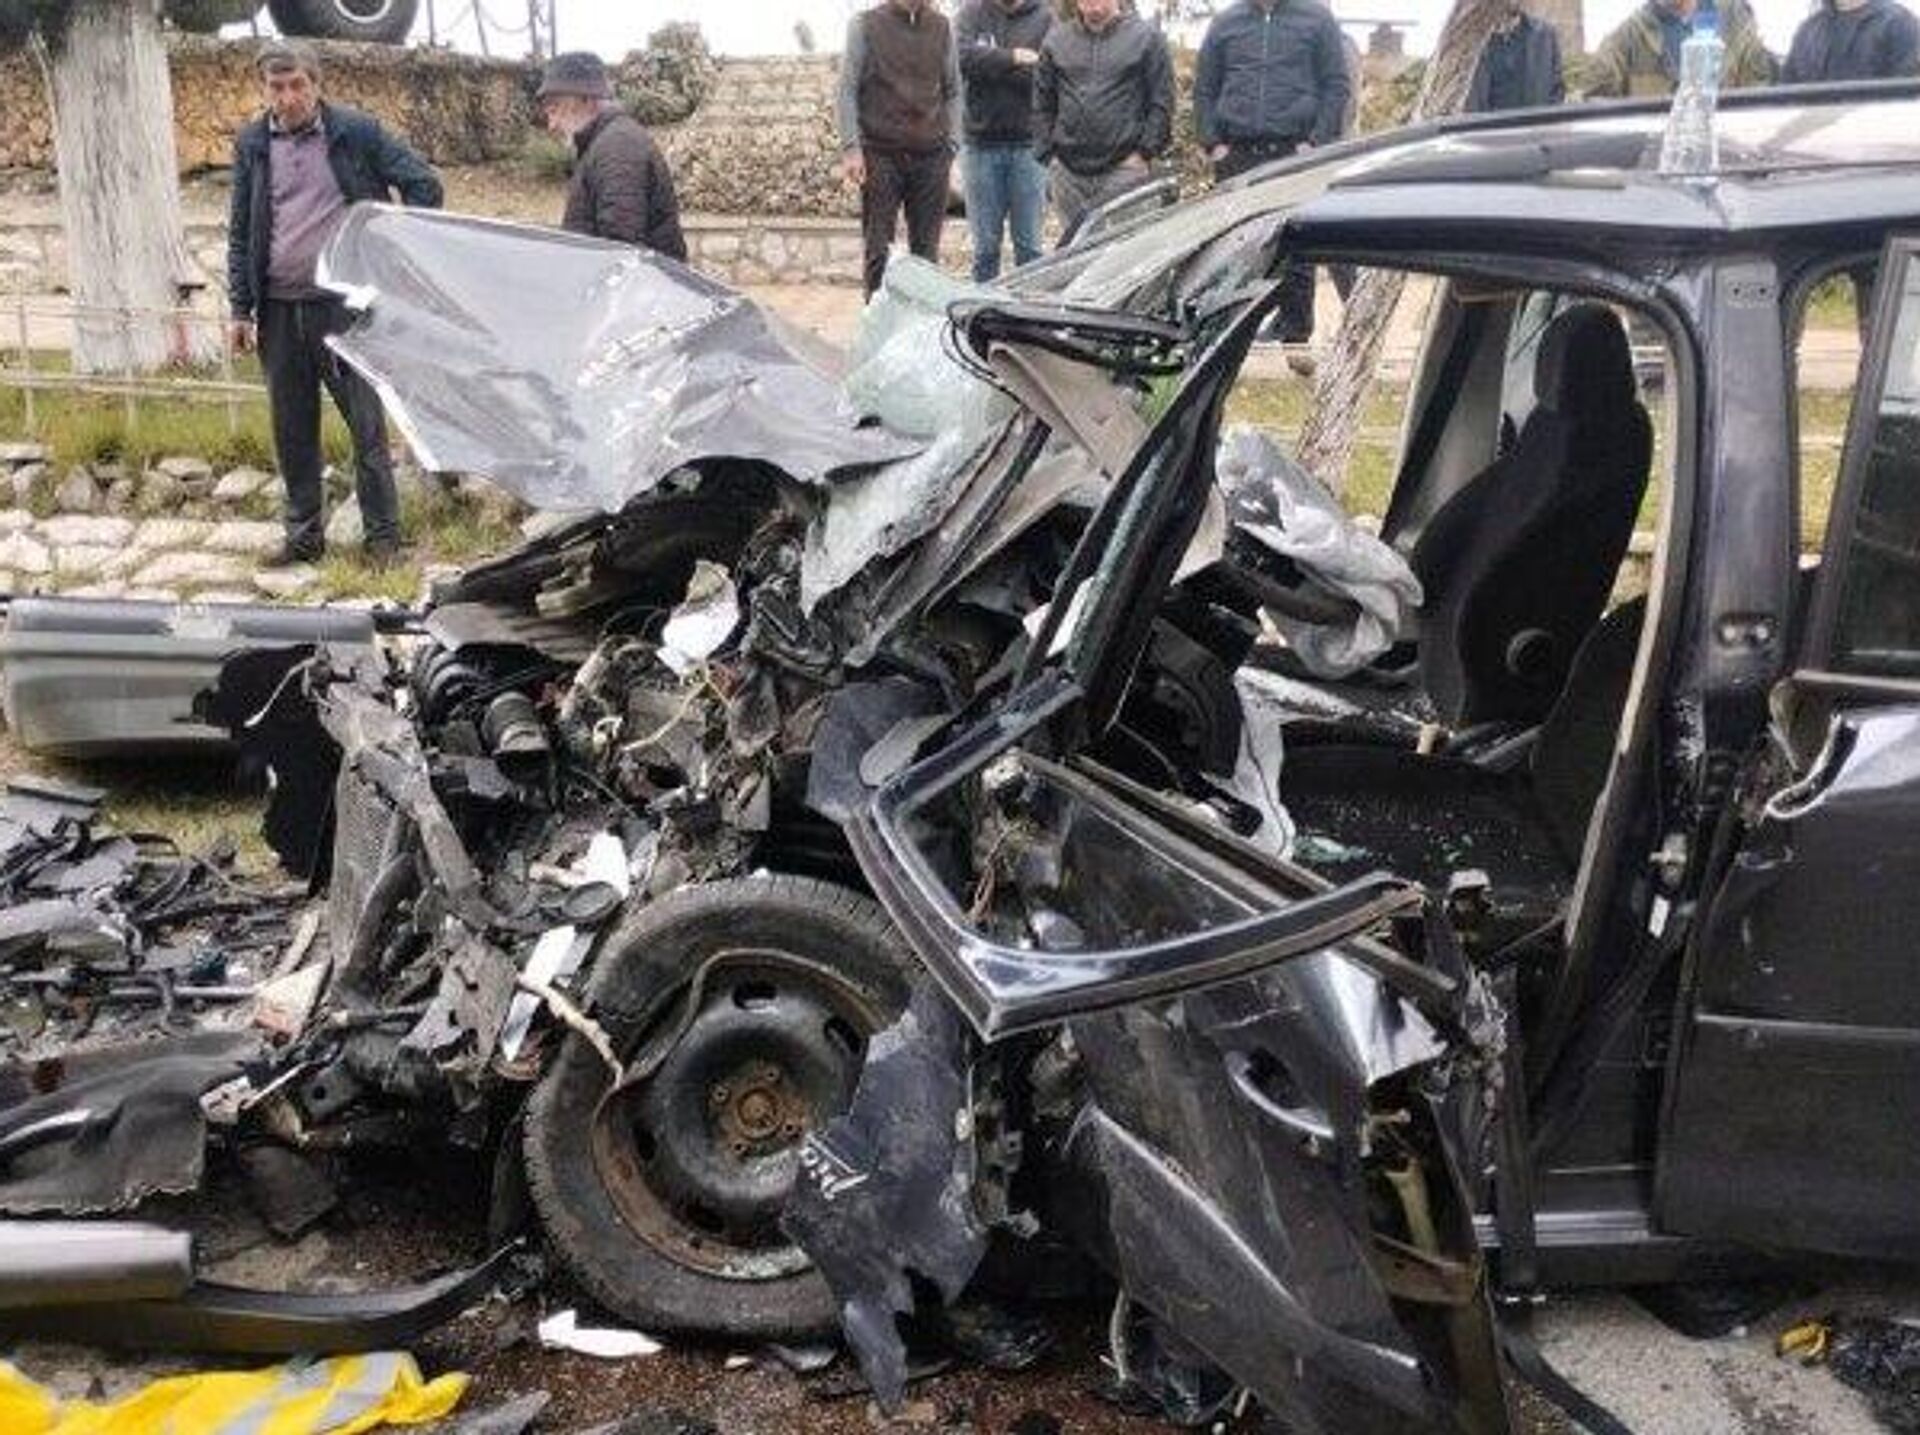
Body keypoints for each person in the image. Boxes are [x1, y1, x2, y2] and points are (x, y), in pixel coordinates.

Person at [227, 41, 442, 569]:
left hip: (345, 308)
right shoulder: (253, 143)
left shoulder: (355, 133)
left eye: (297, 85)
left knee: (366, 429)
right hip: (279, 309)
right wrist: (240, 308)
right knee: (292, 430)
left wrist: (389, 253)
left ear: (317, 84)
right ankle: (303, 539)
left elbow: (424, 185)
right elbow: (241, 229)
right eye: (277, 87)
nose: (288, 97)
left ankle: (383, 542)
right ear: (264, 90)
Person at [1195, 0, 1350, 360]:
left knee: (1297, 247)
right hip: (1237, 156)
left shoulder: (1316, 18)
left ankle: (1295, 337)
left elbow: (1336, 85)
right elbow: (1205, 88)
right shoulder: (1225, 22)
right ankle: (1234, 334)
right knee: (1237, 247)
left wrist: (1315, 142)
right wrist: (1213, 143)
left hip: (1294, 152)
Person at [837, 0, 964, 298]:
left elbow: (954, 90)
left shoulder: (942, 27)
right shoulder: (864, 25)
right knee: (878, 252)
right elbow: (847, 89)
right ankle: (876, 321)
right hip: (880, 155)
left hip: (932, 157)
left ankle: (919, 324)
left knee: (926, 257)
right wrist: (851, 147)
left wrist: (952, 144)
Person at [1033, 0, 1174, 241]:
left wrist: (1144, 153)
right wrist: (1049, 154)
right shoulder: (1056, 41)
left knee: (1127, 249)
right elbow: (1042, 101)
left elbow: (1162, 101)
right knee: (1075, 250)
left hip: (1124, 170)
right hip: (1068, 174)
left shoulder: (1146, 38)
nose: (1093, 4)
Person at [537, 52, 688, 261]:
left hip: (640, 281)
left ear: (586, 99)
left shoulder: (618, 149)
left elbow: (620, 249)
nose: (551, 125)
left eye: (554, 110)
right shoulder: (606, 142)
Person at [955, 0, 1053, 283]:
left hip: (1029, 149)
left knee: (1030, 249)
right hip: (979, 147)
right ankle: (982, 310)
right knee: (985, 251)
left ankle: (1028, 310)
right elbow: (960, 58)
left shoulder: (1045, 18)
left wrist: (988, 63)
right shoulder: (971, 13)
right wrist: (1013, 58)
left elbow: (1045, 74)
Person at [1587, 0, 1775, 98]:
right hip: (1657, 152)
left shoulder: (1736, 22)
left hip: (1728, 148)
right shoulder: (1629, 36)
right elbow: (1593, 99)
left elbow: (1759, 94)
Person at [1782, 0, 1920, 84]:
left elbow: (1906, 98)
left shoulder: (1899, 23)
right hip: (1814, 124)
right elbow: (1787, 96)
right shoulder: (1808, 31)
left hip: (1874, 123)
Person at [1467, 1, 1568, 112]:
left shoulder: (1545, 35)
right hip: (1491, 122)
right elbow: (1473, 104)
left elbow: (1557, 90)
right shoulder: (1475, 43)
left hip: (1537, 122)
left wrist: (1546, 120)